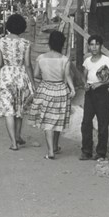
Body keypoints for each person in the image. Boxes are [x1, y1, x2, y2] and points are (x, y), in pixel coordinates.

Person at [27, 30, 76, 160]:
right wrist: (72, 89)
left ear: (49, 43)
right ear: (62, 44)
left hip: (46, 90)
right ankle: (55, 146)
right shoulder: (65, 60)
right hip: (61, 91)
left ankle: (50, 151)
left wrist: (45, 74)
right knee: (57, 119)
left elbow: (36, 74)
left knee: (48, 121)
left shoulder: (41, 58)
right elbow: (67, 75)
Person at [0, 14, 34, 151]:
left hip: (6, 77)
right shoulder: (26, 43)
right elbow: (28, 64)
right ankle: (18, 136)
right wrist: (32, 82)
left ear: (9, 26)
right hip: (20, 76)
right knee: (19, 108)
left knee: (8, 111)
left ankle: (14, 143)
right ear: (22, 27)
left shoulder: (1, 42)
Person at [80, 34, 109, 161]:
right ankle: (86, 151)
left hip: (102, 93)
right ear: (89, 46)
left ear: (101, 46)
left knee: (103, 123)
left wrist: (100, 83)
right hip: (89, 93)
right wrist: (85, 84)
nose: (94, 47)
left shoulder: (106, 60)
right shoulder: (87, 61)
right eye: (91, 44)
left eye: (97, 44)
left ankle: (101, 153)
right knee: (86, 122)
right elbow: (83, 75)